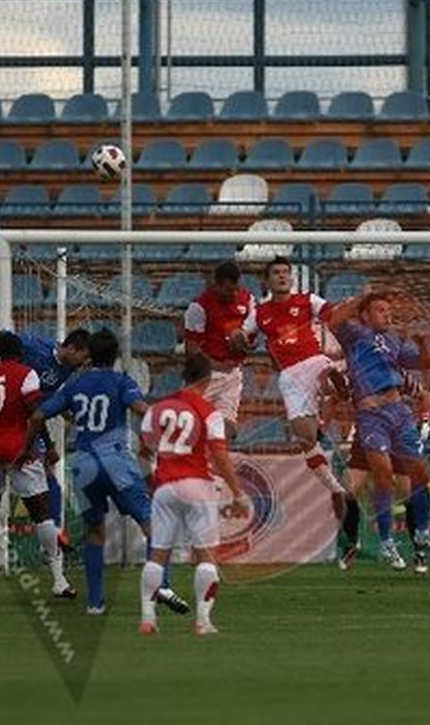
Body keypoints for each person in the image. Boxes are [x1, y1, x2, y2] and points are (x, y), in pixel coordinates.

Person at [26, 328, 189, 616]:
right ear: (114, 356)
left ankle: (95, 603)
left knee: (94, 531)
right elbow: (141, 409)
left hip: (84, 464)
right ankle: (161, 585)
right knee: (152, 522)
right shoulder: (121, 381)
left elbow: (38, 414)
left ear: (90, 355)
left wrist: (29, 447)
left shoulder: (75, 384)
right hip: (115, 461)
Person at [0, 332, 75, 599]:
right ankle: (58, 579)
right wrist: (48, 445)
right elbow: (35, 413)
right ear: (20, 353)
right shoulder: (27, 374)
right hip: (19, 450)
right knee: (40, 512)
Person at [138, 355, 250, 635]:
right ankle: (202, 621)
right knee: (206, 556)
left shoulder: (157, 408)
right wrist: (237, 491)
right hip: (197, 485)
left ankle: (148, 619)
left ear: (183, 376)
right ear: (208, 379)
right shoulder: (208, 411)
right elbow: (219, 454)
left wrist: (151, 481)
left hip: (165, 486)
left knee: (157, 556)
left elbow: (143, 453)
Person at [328, 292, 430, 573]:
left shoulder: (394, 342)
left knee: (421, 478)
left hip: (399, 412)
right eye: (380, 309)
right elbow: (334, 320)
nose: (387, 314)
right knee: (382, 477)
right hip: (371, 415)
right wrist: (362, 298)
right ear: (364, 315)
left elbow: (426, 364)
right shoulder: (355, 335)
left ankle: (422, 537)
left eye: (389, 310)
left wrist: (424, 344)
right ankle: (385, 541)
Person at [0, 324, 91, 544]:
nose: (84, 363)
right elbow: (1, 336)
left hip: (31, 419)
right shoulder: (36, 347)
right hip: (9, 412)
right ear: (72, 348)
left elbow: (47, 397)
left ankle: (55, 529)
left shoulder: (69, 369)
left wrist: (70, 415)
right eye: (84, 356)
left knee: (46, 469)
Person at [232, 257, 351, 515]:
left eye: (286, 272)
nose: (282, 276)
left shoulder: (307, 300)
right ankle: (336, 489)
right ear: (267, 280)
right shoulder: (260, 313)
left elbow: (334, 315)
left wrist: (352, 307)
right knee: (306, 440)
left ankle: (336, 385)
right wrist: (238, 339)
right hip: (290, 377)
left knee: (328, 371)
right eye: (276, 273)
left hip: (313, 360)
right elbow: (244, 338)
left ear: (292, 278)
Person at [183, 260, 255, 442]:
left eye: (236, 288)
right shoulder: (199, 307)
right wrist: (216, 365)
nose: (234, 294)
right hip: (207, 374)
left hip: (233, 374)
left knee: (228, 424)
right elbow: (192, 349)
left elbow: (254, 327)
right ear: (217, 285)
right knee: (188, 422)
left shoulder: (248, 300)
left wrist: (244, 339)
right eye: (229, 289)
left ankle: (215, 458)